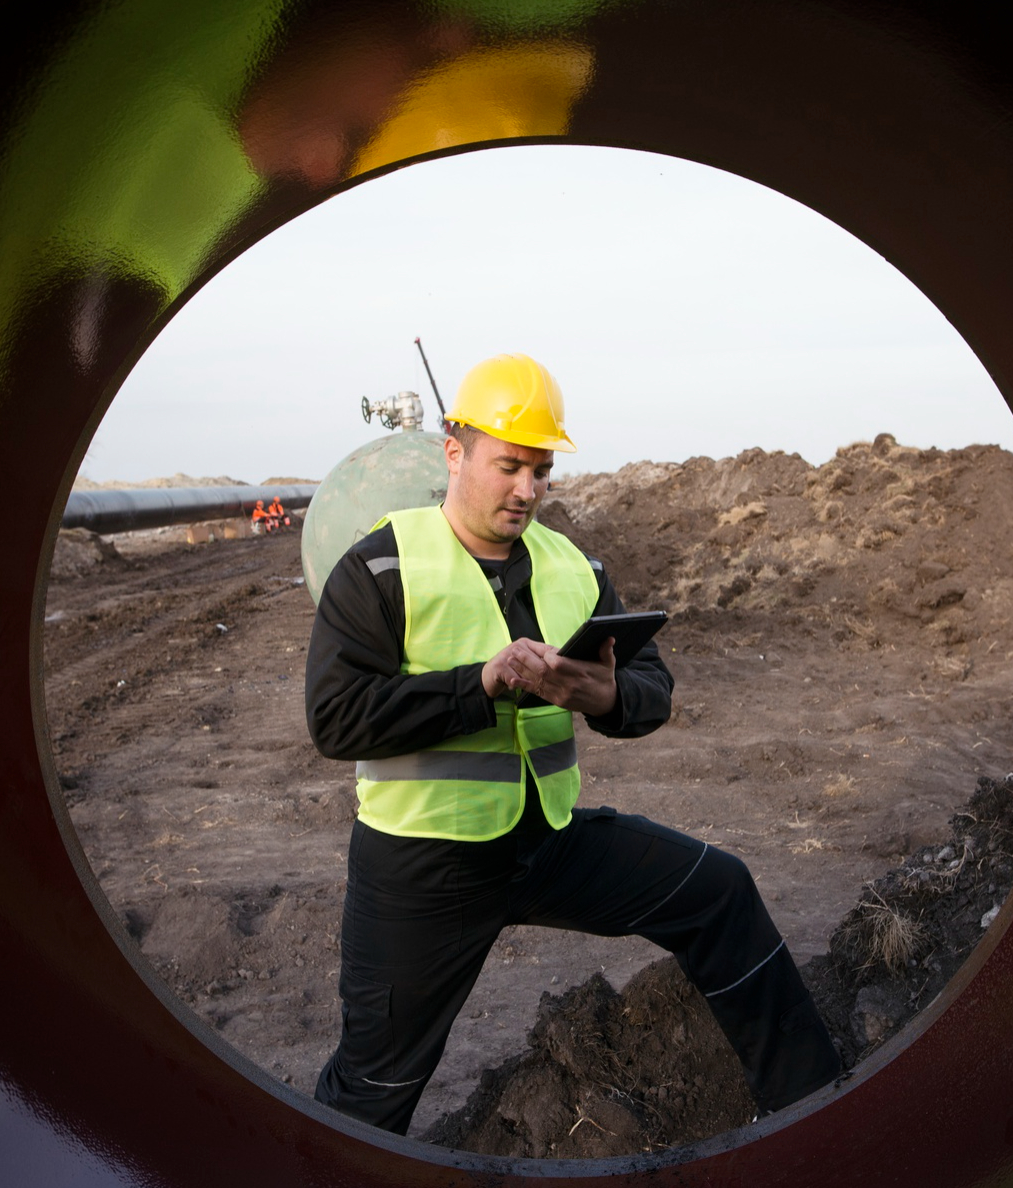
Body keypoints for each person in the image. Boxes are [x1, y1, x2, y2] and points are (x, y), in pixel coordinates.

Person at [304, 352, 842, 1135]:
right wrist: (477, 685)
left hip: (548, 843)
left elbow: (651, 688)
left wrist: (609, 696)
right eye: (509, 466)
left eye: (541, 470)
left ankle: (815, 1112)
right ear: (453, 453)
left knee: (719, 891)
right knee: (373, 1087)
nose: (528, 489)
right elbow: (337, 718)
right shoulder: (381, 567)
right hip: (422, 867)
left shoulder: (575, 567)